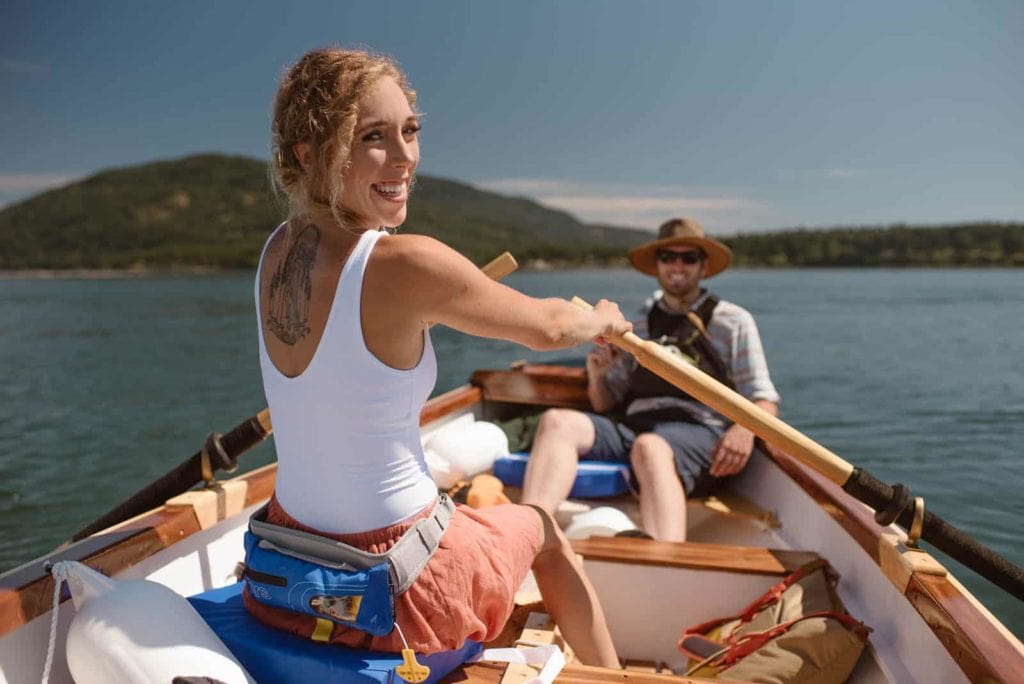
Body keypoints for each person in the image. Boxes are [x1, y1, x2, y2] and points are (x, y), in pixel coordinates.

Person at [243, 47, 628, 669]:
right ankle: (615, 677)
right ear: (307, 154)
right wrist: (603, 318)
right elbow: (553, 327)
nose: (405, 158)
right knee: (544, 533)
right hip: (397, 586)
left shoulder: (274, 253)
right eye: (372, 137)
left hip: (285, 568)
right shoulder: (408, 262)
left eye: (410, 130)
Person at [521, 218, 780, 542]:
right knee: (557, 422)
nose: (677, 265)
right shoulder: (639, 319)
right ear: (657, 265)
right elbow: (605, 402)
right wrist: (598, 375)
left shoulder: (733, 321)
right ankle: (527, 537)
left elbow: (764, 398)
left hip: (700, 433)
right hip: (634, 424)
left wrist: (745, 430)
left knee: (650, 447)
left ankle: (666, 558)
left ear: (702, 266)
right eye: (667, 257)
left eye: (689, 258)